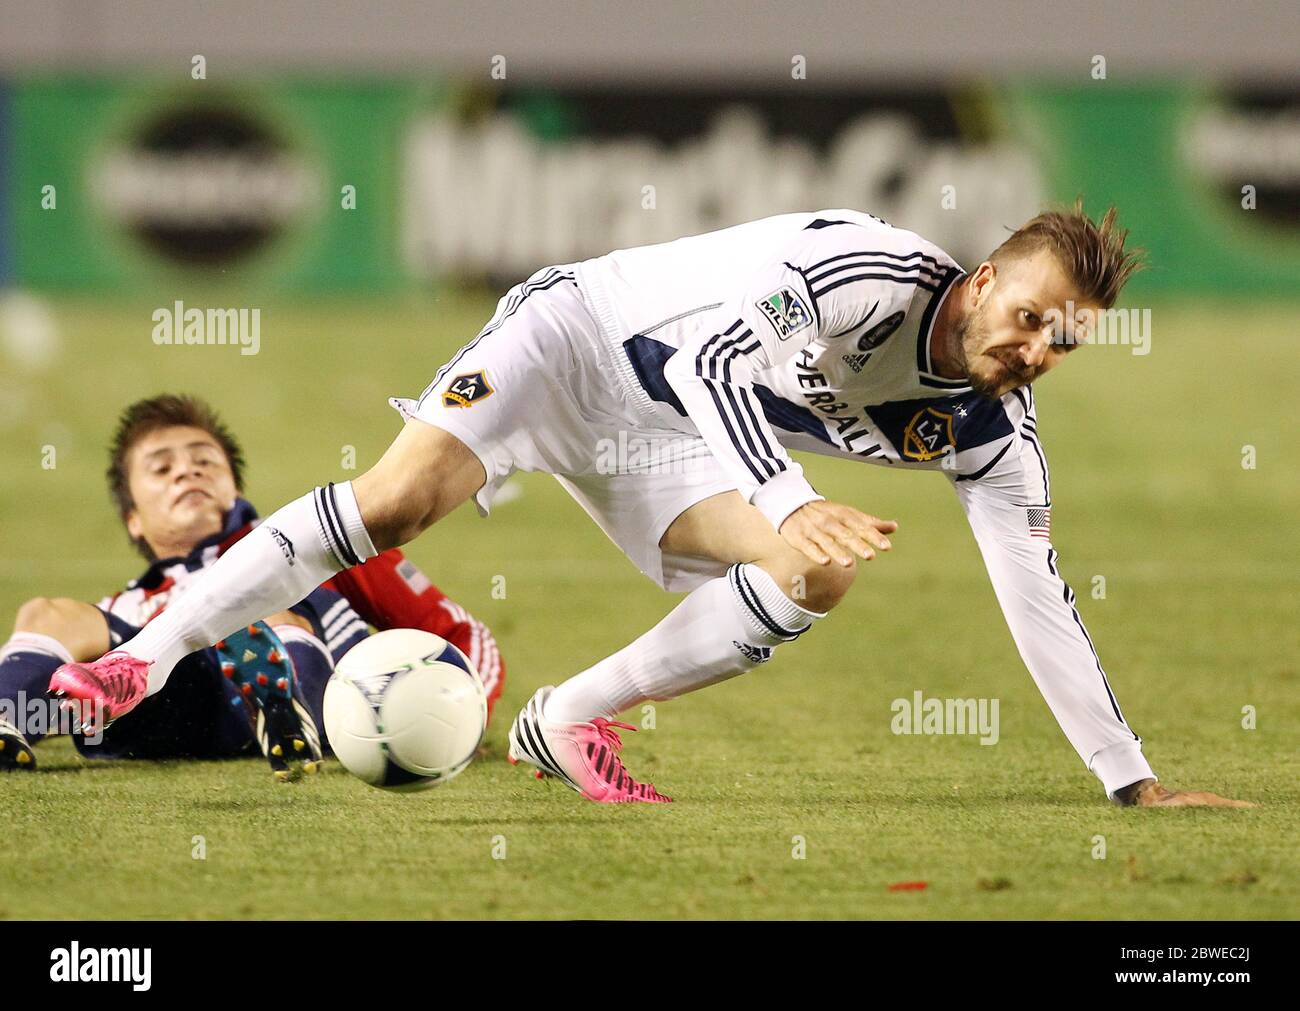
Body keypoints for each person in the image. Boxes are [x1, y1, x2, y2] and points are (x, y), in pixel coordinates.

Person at [51, 207, 1248, 807]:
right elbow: (709, 365)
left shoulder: (992, 428)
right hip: (577, 338)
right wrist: (785, 495)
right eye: (1030, 315)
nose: (1038, 347)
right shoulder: (858, 274)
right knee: (400, 499)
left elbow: (1036, 592)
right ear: (981, 280)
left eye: (1065, 340)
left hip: (666, 439)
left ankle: (564, 721)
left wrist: (1128, 779)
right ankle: (143, 660)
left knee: (813, 572)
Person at [2, 395, 503, 778]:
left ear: (235, 488)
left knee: (262, 614)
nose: (187, 470)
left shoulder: (313, 545)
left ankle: (286, 712)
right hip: (174, 711)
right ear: (133, 519)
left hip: (325, 695)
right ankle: (13, 715)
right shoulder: (128, 606)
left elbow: (461, 632)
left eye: (204, 460)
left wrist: (459, 708)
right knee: (49, 613)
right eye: (161, 467)